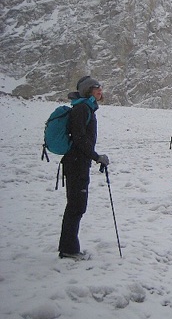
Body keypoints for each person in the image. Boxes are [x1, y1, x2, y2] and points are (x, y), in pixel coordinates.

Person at [58, 76, 110, 259]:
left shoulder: (85, 107)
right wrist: (97, 157)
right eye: (96, 88)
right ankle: (69, 250)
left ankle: (68, 248)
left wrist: (94, 157)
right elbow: (80, 139)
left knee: (76, 206)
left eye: (100, 87)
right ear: (88, 90)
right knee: (76, 206)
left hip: (78, 163)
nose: (100, 91)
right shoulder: (81, 108)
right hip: (76, 164)